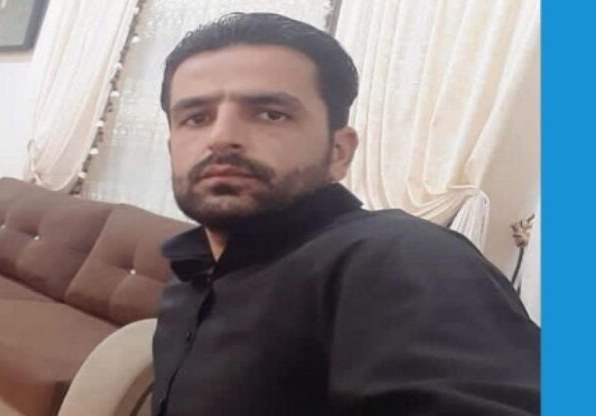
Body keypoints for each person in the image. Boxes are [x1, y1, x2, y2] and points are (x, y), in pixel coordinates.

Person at [151, 12, 539, 416]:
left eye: (270, 113)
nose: (220, 138)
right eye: (195, 118)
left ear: (339, 152)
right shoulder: (190, 276)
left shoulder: (405, 259)